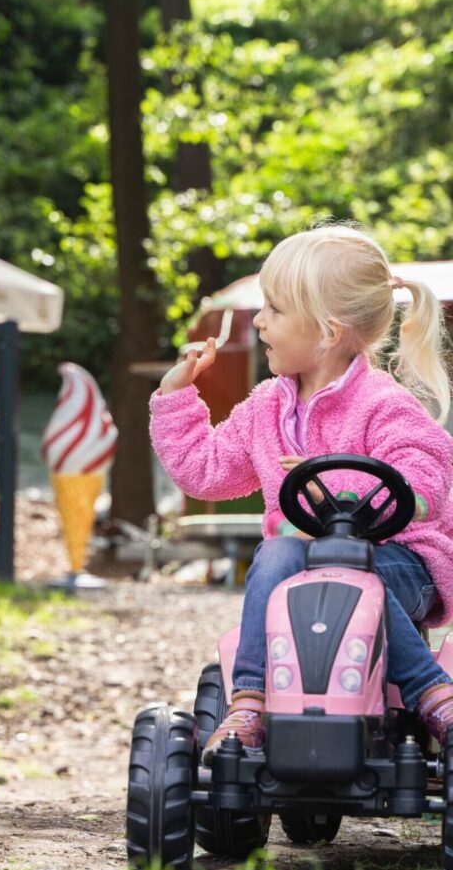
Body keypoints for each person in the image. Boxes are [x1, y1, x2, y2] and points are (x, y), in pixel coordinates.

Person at [150, 224, 453, 764]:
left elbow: (425, 479)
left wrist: (332, 484)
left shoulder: (384, 403)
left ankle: (430, 692)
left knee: (355, 575)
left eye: (274, 310)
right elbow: (208, 472)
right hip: (299, 579)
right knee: (276, 551)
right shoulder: (267, 406)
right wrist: (177, 399)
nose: (259, 321)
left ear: (328, 331)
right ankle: (248, 701)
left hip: (398, 566)